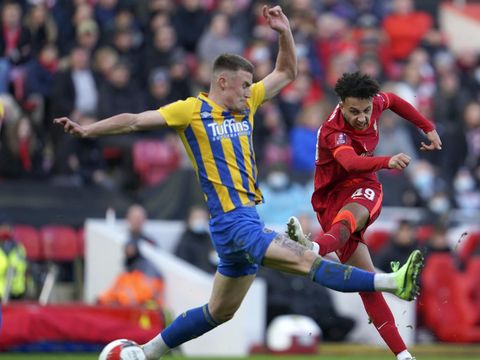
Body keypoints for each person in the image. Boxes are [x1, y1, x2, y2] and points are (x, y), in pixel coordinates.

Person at [54, 7, 423, 360]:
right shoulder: (191, 111)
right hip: (234, 221)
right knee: (307, 259)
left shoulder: (247, 104)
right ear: (222, 81)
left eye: (251, 86)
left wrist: (286, 33)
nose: (250, 93)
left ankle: (144, 352)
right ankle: (391, 283)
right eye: (244, 85)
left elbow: (286, 71)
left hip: (237, 222)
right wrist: (89, 129)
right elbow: (135, 120)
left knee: (219, 311)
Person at [287, 71, 442, 360]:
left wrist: (427, 127)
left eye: (366, 110)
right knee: (367, 283)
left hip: (364, 187)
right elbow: (350, 161)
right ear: (341, 105)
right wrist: (387, 161)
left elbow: (395, 100)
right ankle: (403, 353)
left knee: (351, 216)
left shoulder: (376, 104)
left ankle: (314, 248)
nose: (361, 117)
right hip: (330, 198)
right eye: (353, 111)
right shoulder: (333, 131)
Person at [175, 205, 217, 274]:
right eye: (197, 218)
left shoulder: (207, 237)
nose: (200, 221)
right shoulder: (184, 241)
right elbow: (183, 266)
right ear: (189, 220)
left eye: (203, 218)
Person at [124, 204, 162, 279]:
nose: (137, 221)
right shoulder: (122, 237)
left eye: (139, 218)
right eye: (134, 217)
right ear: (128, 218)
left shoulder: (150, 241)